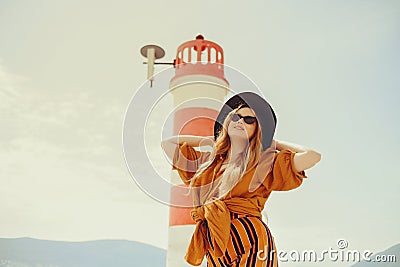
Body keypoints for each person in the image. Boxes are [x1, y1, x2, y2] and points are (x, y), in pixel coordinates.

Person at [161, 92, 321, 267]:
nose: (241, 121)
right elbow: (168, 144)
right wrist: (214, 142)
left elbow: (312, 156)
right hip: (215, 241)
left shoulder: (264, 163)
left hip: (251, 239)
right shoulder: (208, 163)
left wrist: (272, 143)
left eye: (249, 120)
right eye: (236, 116)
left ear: (257, 129)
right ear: (228, 121)